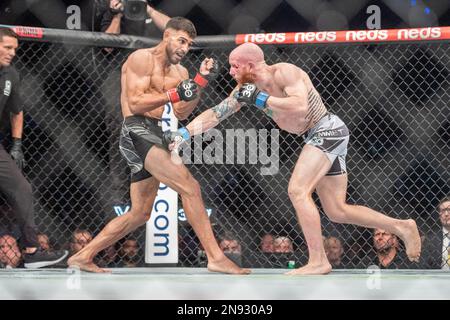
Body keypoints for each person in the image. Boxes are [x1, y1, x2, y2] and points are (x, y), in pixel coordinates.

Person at [164, 42, 422, 275]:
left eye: (234, 66)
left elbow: (301, 105)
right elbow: (215, 114)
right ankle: (401, 226)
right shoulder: (245, 88)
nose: (230, 72)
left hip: (326, 129)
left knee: (297, 191)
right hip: (317, 136)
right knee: (337, 210)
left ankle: (318, 260)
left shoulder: (284, 72)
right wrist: (184, 133)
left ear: (249, 65)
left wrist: (260, 98)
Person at [67, 17, 249, 275]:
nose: (185, 48)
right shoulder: (141, 59)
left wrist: (199, 81)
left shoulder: (181, 72)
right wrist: (174, 93)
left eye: (189, 44)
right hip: (135, 129)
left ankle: (83, 255)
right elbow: (136, 102)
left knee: (140, 213)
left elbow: (182, 111)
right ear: (167, 36)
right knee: (190, 187)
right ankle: (215, 257)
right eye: (182, 41)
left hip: (156, 133)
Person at [0, 27, 68, 268]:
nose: (12, 53)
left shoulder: (10, 75)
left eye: (15, 49)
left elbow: (16, 111)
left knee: (22, 188)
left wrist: (17, 144)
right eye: (7, 47)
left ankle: (31, 251)